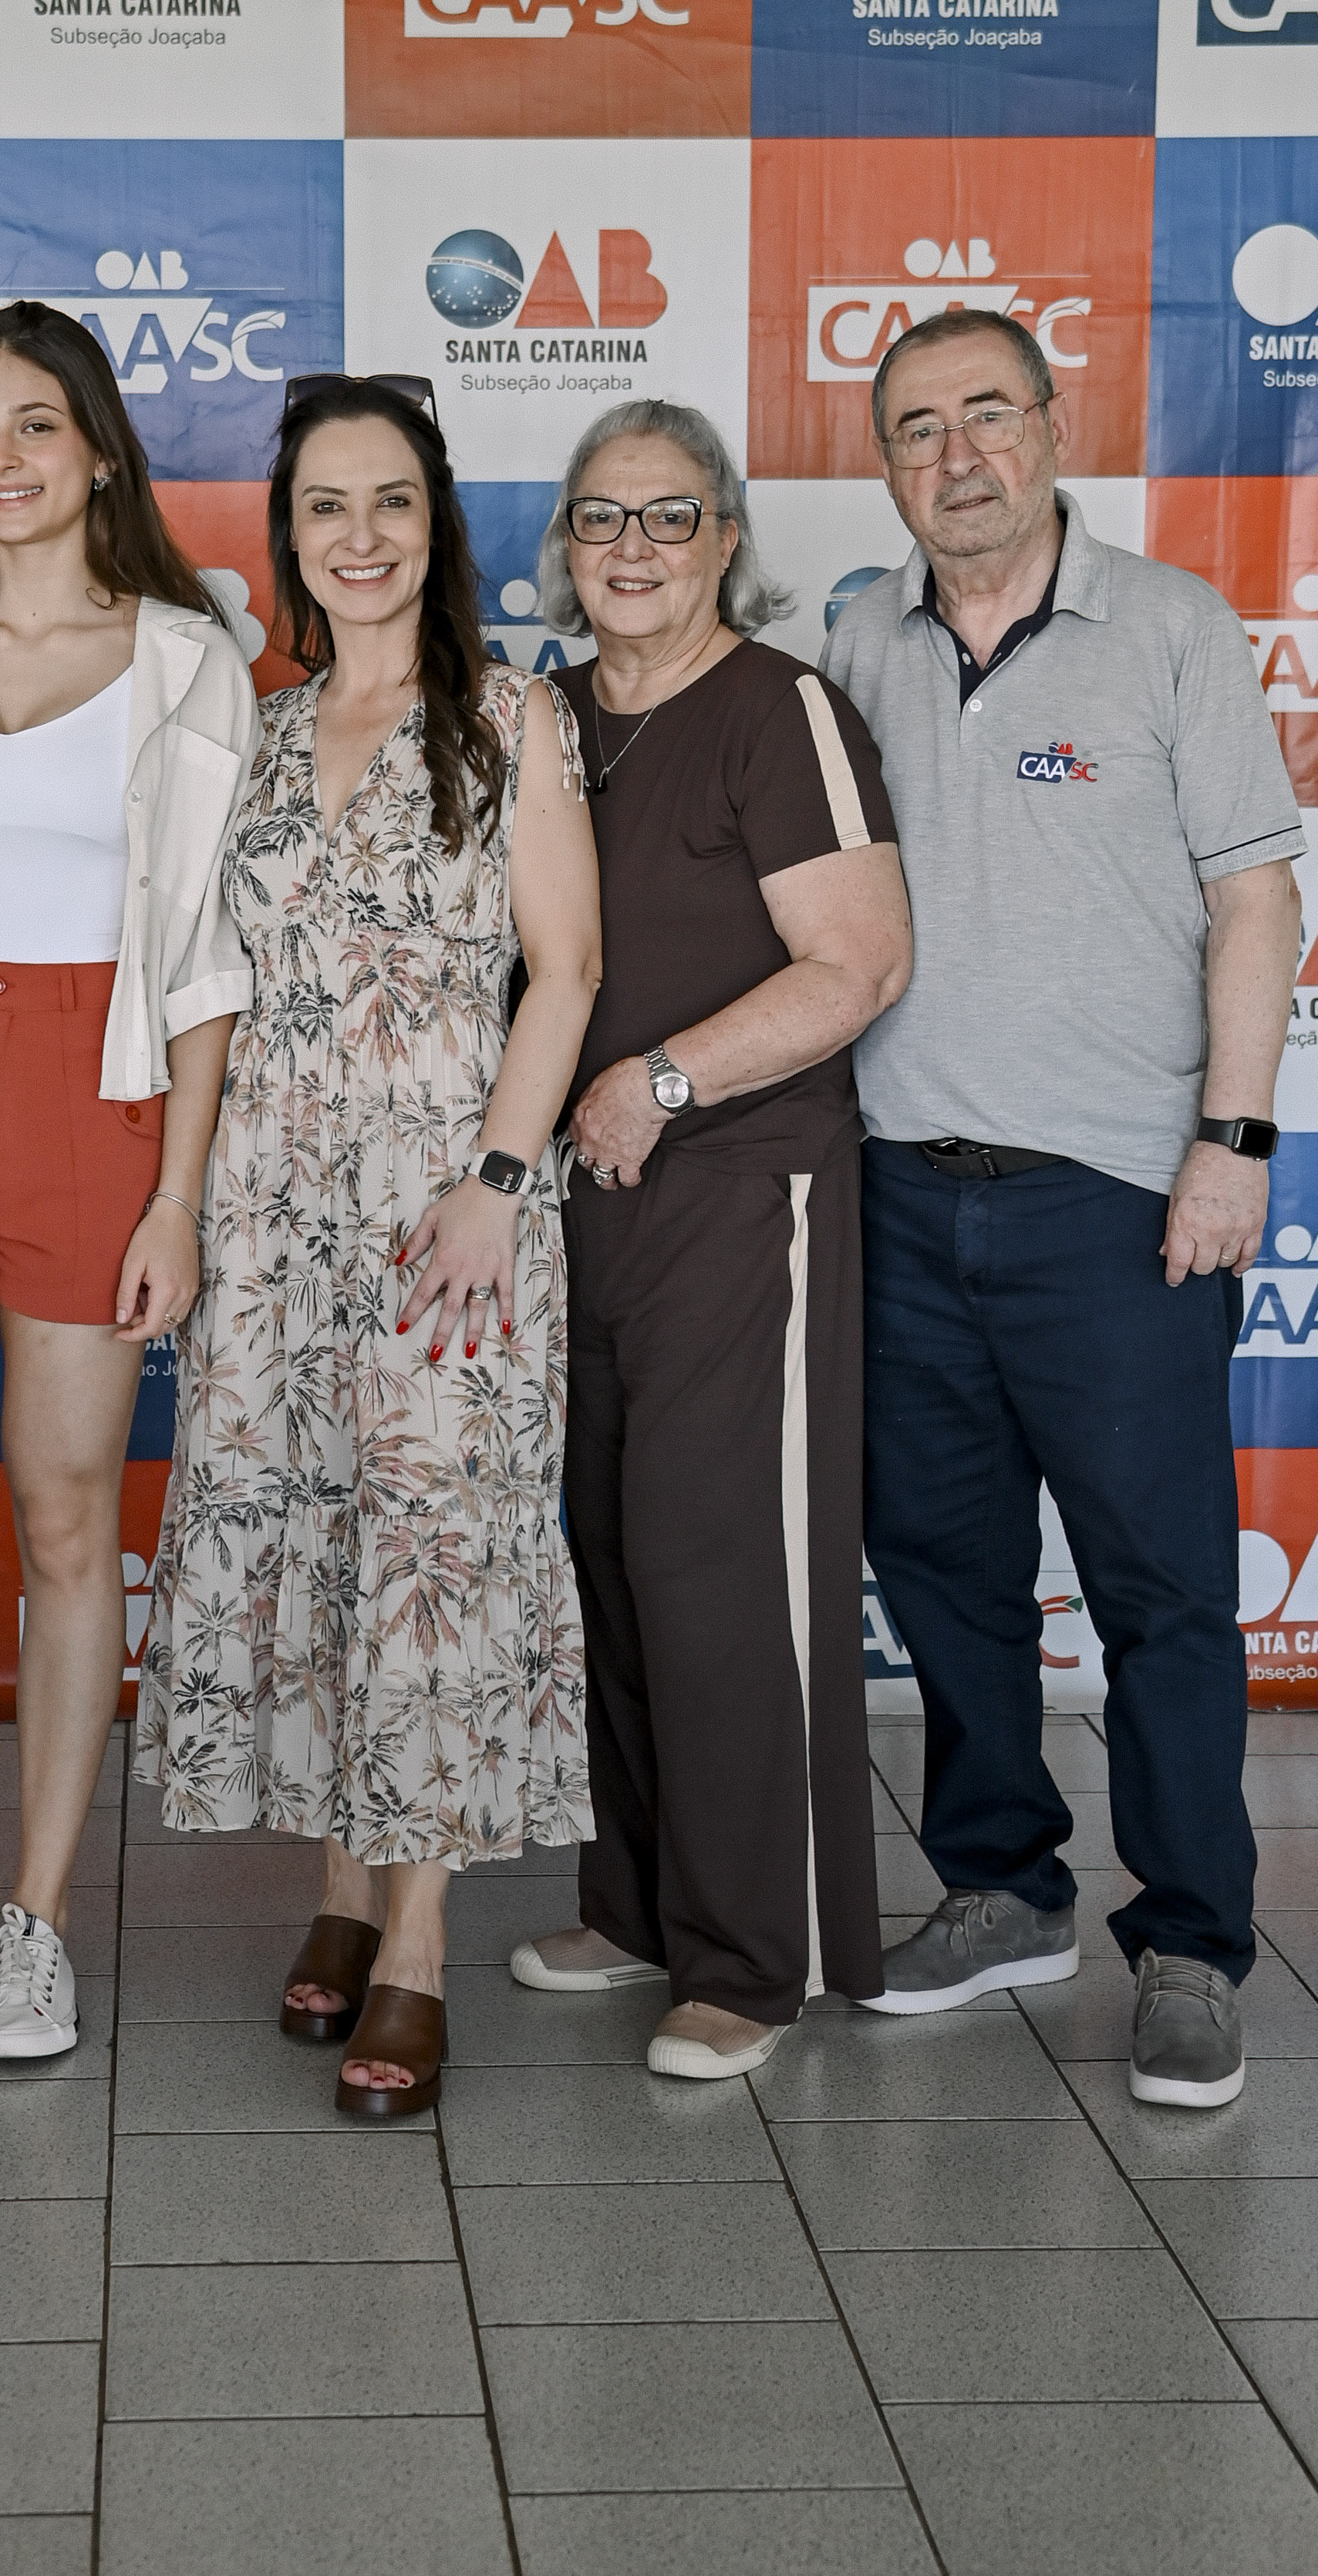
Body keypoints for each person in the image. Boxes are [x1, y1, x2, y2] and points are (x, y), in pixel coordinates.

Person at [821, 306, 1303, 2110]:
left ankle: (1192, 1941)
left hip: (1118, 1202)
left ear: (1050, 426)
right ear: (886, 462)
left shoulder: (1170, 628)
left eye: (987, 415)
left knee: (1160, 1590)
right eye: (917, 426)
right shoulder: (854, 638)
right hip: (896, 1190)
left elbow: (1256, 899)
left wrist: (1234, 1138)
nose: (957, 455)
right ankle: (1002, 1885)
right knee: (945, 1574)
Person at [136, 375, 602, 2118]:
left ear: (437, 521)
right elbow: (205, 986)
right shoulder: (252, 733)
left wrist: (497, 1175)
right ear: (289, 534)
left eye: (391, 499)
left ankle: (412, 1940)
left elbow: (568, 968)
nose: (360, 534)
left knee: (431, 1552)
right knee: (314, 1537)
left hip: (444, 1213)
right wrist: (186, 1198)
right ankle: (342, 1875)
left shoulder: (510, 716)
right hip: (269, 1216)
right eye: (326, 504)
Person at [0, 302, 260, 2062]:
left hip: (99, 1102)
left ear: (98, 451)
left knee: (72, 1524)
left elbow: (209, 957)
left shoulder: (188, 657)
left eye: (34, 424)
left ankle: (40, 1921)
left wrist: (178, 1194)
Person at [510, 399, 912, 2079]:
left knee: (721, 1563)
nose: (633, 547)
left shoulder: (776, 706)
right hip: (581, 1210)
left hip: (746, 1193)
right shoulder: (541, 717)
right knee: (610, 1552)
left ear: (726, 538)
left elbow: (860, 963)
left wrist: (662, 1081)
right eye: (602, 517)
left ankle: (755, 1952)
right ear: (564, 545)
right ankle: (640, 1903)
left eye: (669, 516)